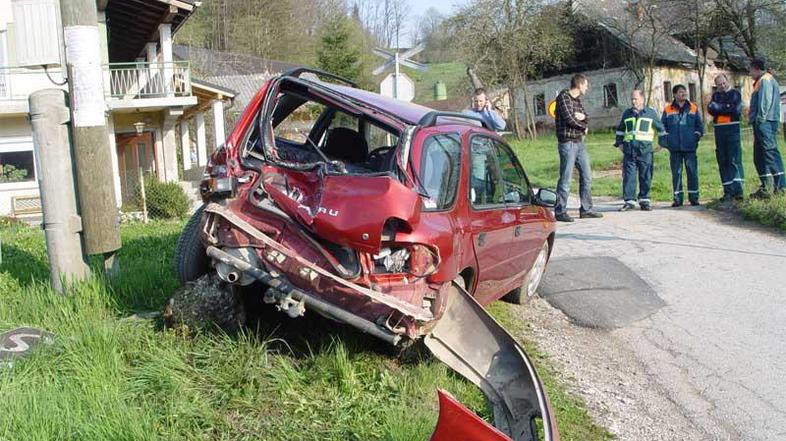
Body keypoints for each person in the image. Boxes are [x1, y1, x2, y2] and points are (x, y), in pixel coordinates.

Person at [553, 74, 602, 222]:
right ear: (580, 85)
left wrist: (583, 119)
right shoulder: (563, 98)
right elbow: (569, 119)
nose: (587, 87)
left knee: (587, 176)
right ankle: (560, 210)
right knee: (566, 178)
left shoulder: (577, 100)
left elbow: (586, 116)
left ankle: (586, 209)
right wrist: (583, 126)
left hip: (579, 143)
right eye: (586, 85)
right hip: (567, 143)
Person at [614, 90, 664, 211]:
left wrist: (662, 144)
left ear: (642, 99)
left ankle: (644, 200)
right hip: (629, 151)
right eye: (632, 99)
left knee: (645, 175)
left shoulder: (650, 113)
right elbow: (620, 130)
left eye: (635, 99)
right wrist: (619, 143)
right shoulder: (627, 113)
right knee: (629, 176)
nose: (633, 101)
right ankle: (629, 201)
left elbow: (661, 129)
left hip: (645, 151)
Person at [660, 84, 704, 207]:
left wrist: (696, 137)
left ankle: (694, 198)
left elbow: (700, 126)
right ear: (674, 94)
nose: (683, 94)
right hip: (674, 148)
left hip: (690, 147)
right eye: (680, 92)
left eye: (684, 91)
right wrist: (666, 141)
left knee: (692, 171)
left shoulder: (693, 108)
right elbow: (662, 127)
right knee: (677, 173)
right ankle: (677, 198)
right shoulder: (668, 109)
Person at [748, 58, 784, 198]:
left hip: (766, 122)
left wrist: (760, 119)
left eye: (750, 70)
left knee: (770, 152)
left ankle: (781, 186)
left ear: (756, 68)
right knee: (759, 156)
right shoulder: (760, 81)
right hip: (762, 122)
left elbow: (766, 101)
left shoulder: (766, 80)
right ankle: (766, 186)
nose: (750, 73)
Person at [707, 74, 745, 202]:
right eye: (719, 85)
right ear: (716, 86)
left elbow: (736, 110)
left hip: (732, 128)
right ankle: (728, 191)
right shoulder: (716, 95)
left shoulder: (735, 94)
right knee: (723, 160)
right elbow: (711, 109)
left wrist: (720, 108)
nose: (722, 86)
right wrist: (726, 107)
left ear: (727, 81)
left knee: (734, 159)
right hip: (719, 130)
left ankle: (738, 191)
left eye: (724, 83)